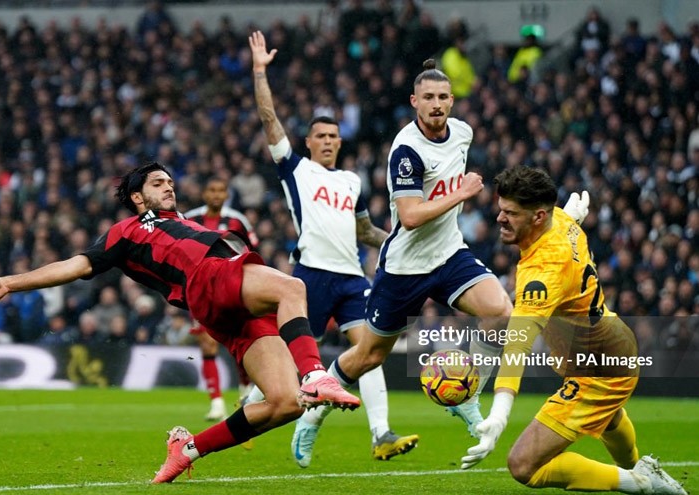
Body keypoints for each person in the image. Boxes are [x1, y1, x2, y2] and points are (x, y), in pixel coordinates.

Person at [0, 162, 360, 484]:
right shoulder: (125, 232)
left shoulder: (184, 220)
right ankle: (314, 373)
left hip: (221, 305)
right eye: (157, 182)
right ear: (137, 197)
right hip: (207, 277)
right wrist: (10, 283)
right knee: (291, 288)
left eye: (170, 181)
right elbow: (76, 265)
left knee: (285, 404)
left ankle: (187, 450)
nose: (169, 186)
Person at [316, 59, 517, 444]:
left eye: (443, 96)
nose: (436, 104)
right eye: (428, 97)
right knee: (369, 355)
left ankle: (466, 396)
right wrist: (461, 193)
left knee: (501, 312)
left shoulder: (462, 132)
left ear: (453, 101)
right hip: (405, 266)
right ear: (414, 102)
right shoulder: (406, 151)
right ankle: (315, 414)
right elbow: (408, 217)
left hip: (449, 254)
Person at [460, 166, 686, 495]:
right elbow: (563, 225)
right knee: (607, 417)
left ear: (538, 216)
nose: (500, 218)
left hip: (598, 368)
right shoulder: (560, 221)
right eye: (500, 209)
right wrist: (571, 215)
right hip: (609, 344)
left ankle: (639, 483)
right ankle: (640, 467)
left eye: (510, 213)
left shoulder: (542, 273)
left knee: (523, 466)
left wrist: (499, 413)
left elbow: (518, 345)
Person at [249, 30, 418, 467]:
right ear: (308, 141)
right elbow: (269, 119)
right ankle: (247, 411)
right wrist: (259, 72)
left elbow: (364, 231)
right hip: (308, 277)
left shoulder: (352, 182)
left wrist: (400, 240)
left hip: (350, 279)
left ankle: (380, 433)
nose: (327, 141)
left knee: (370, 351)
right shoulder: (296, 170)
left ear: (340, 142)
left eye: (333, 136)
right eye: (320, 135)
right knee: (284, 358)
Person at [184, 176, 258, 422]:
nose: (216, 195)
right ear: (204, 194)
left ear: (226, 195)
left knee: (238, 342)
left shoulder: (238, 220)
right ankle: (216, 403)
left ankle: (245, 389)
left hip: (231, 287)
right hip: (201, 289)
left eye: (220, 191)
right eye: (211, 190)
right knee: (207, 344)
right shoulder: (190, 219)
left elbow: (251, 251)